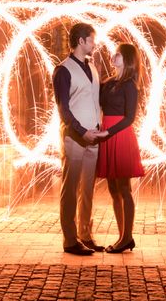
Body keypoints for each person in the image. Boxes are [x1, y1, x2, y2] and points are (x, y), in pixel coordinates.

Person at [53, 22, 108, 255]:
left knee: (87, 190)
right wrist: (80, 130)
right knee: (70, 188)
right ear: (81, 41)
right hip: (75, 138)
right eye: (92, 39)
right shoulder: (63, 70)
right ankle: (70, 240)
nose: (95, 43)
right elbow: (63, 108)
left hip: (93, 137)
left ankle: (86, 235)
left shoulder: (92, 68)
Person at [96, 43, 145, 253]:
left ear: (126, 59)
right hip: (107, 134)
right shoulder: (107, 83)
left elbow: (130, 118)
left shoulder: (129, 85)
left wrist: (108, 132)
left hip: (120, 135)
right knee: (113, 189)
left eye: (117, 54)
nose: (113, 56)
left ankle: (127, 237)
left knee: (124, 189)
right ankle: (121, 236)